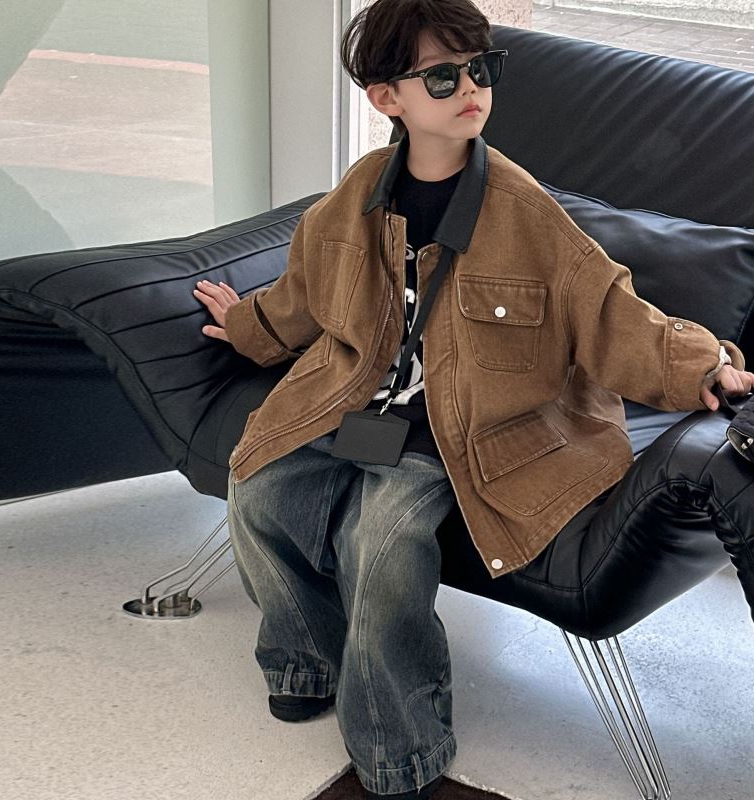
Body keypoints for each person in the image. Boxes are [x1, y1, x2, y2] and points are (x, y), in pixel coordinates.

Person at [192, 1, 754, 797]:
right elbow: (304, 293)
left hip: (464, 428)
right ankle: (303, 659)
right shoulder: (358, 194)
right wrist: (246, 325)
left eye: (481, 69)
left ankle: (401, 746)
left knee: (382, 542)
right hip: (354, 401)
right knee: (256, 487)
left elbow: (610, 311)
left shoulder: (525, 212)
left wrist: (707, 364)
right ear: (386, 97)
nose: (470, 89)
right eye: (443, 76)